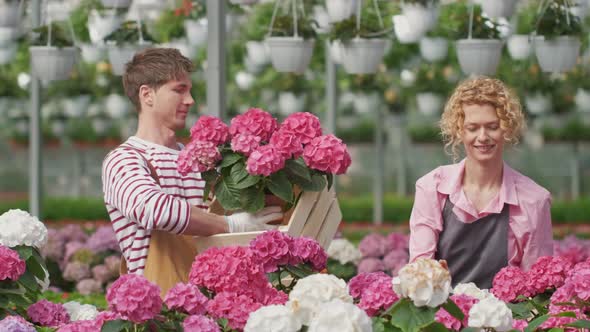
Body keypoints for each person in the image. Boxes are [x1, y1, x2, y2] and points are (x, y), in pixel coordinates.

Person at [101, 48, 283, 294]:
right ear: (147, 95)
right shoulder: (125, 159)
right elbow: (155, 209)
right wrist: (231, 225)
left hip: (214, 303)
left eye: (189, 90)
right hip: (162, 310)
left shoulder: (202, 161)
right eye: (179, 89)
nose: (190, 100)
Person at [408, 77, 553, 289]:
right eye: (473, 128)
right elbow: (419, 270)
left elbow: (537, 287)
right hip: (442, 315)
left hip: (508, 319)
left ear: (507, 129)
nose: (483, 137)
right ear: (459, 130)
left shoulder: (534, 200)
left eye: (492, 127)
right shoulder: (432, 188)